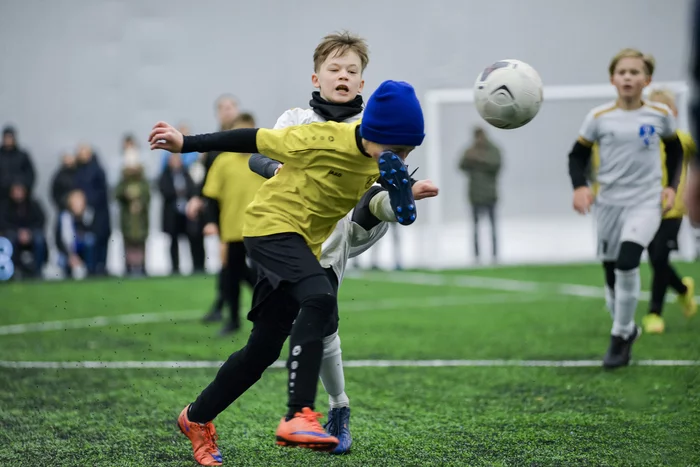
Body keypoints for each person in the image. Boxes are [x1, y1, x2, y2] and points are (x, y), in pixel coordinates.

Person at [150, 79, 425, 465]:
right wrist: (187, 142)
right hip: (269, 226)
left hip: (302, 244)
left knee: (261, 350)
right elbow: (252, 139)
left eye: (409, 150)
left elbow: (373, 201)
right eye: (396, 149)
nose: (401, 154)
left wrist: (401, 196)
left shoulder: (378, 160)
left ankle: (195, 418)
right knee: (320, 297)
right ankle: (298, 415)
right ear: (375, 133)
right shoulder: (321, 138)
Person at [567, 49, 683, 369]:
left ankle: (619, 336)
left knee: (628, 259)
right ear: (612, 79)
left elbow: (675, 151)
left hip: (646, 201)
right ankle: (628, 327)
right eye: (622, 72)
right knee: (610, 271)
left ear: (647, 80)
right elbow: (576, 156)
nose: (628, 77)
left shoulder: (660, 114)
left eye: (635, 72)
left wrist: (670, 187)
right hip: (608, 203)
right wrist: (580, 187)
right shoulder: (598, 118)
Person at [200, 113, 262, 335]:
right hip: (233, 230)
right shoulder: (223, 161)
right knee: (232, 277)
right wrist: (212, 224)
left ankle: (269, 317)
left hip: (262, 229)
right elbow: (211, 197)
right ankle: (233, 320)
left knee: (266, 277)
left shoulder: (264, 158)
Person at [458, 126, 502, 263]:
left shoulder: (493, 150)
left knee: (493, 227)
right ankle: (477, 257)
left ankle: (495, 256)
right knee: (476, 228)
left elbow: (497, 165)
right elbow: (460, 166)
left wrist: (480, 159)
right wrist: (471, 158)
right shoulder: (470, 150)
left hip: (490, 194)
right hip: (475, 195)